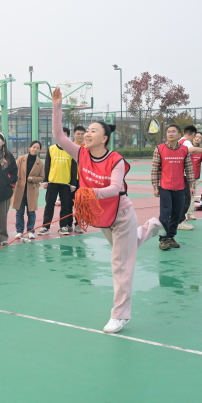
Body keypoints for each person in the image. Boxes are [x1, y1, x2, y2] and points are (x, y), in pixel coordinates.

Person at [51, 88, 161, 334]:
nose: (87, 134)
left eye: (93, 131)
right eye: (87, 130)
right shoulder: (81, 153)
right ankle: (150, 228)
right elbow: (58, 135)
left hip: (121, 215)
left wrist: (89, 193)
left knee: (120, 264)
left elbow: (115, 188)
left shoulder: (116, 160)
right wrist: (57, 105)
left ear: (104, 138)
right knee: (126, 250)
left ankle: (120, 315)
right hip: (101, 216)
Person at [151, 124, 195, 250]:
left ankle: (170, 237)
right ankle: (163, 239)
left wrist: (192, 185)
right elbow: (155, 169)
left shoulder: (184, 150)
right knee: (165, 213)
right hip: (165, 187)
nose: (171, 133)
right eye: (169, 131)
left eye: (174, 131)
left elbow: (189, 169)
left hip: (180, 187)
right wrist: (155, 186)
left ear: (179, 135)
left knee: (177, 213)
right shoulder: (159, 149)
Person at [39, 127, 78, 236]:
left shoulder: (72, 150)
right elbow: (47, 166)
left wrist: (73, 183)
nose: (62, 137)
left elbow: (74, 168)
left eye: (65, 135)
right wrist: (45, 181)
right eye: (60, 135)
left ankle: (63, 227)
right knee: (49, 205)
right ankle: (45, 227)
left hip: (66, 183)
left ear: (68, 136)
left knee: (65, 206)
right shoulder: (51, 149)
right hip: (52, 182)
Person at [176, 125, 202, 230]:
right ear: (193, 134)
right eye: (195, 136)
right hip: (184, 176)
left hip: (180, 175)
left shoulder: (179, 141)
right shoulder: (186, 142)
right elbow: (191, 149)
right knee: (186, 199)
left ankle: (179, 220)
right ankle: (180, 222)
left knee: (182, 198)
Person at [12, 140, 44, 240]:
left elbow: (42, 177)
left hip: (32, 191)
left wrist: (33, 179)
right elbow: (13, 171)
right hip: (20, 190)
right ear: (29, 148)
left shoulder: (40, 163)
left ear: (39, 150)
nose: (35, 149)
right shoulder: (21, 159)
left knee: (31, 212)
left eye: (37, 148)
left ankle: (31, 231)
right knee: (19, 212)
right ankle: (19, 231)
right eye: (34, 147)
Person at [184, 132, 202, 220]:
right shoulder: (187, 148)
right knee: (185, 196)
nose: (197, 139)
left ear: (201, 140)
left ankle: (190, 213)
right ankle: (183, 214)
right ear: (192, 137)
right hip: (184, 176)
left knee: (192, 195)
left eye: (199, 138)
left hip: (195, 176)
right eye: (196, 137)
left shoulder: (201, 151)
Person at [70, 125, 86, 234]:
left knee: (80, 203)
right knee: (68, 203)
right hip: (70, 179)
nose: (80, 136)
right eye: (78, 134)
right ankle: (67, 224)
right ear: (74, 135)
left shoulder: (87, 147)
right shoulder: (69, 146)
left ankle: (78, 224)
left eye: (82, 134)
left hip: (82, 179)